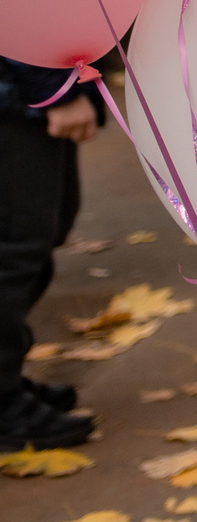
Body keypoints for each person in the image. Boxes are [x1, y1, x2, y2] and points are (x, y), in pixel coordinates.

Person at [0, 56, 104, 450]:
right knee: (14, 244)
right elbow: (14, 5)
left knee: (40, 233)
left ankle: (6, 376)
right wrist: (51, 89)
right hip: (18, 86)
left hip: (28, 84)